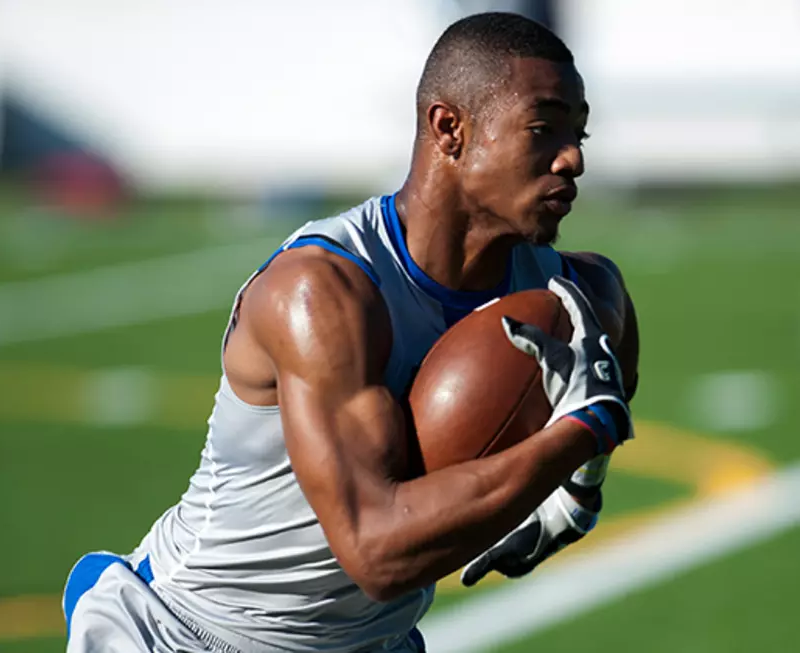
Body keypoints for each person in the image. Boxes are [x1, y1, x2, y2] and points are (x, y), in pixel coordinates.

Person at [63, 12, 640, 653]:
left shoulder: (580, 296)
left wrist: (578, 482)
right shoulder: (321, 292)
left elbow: (615, 333)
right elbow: (376, 554)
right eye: (543, 130)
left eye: (578, 133)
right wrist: (578, 435)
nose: (574, 158)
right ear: (449, 128)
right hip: (195, 634)